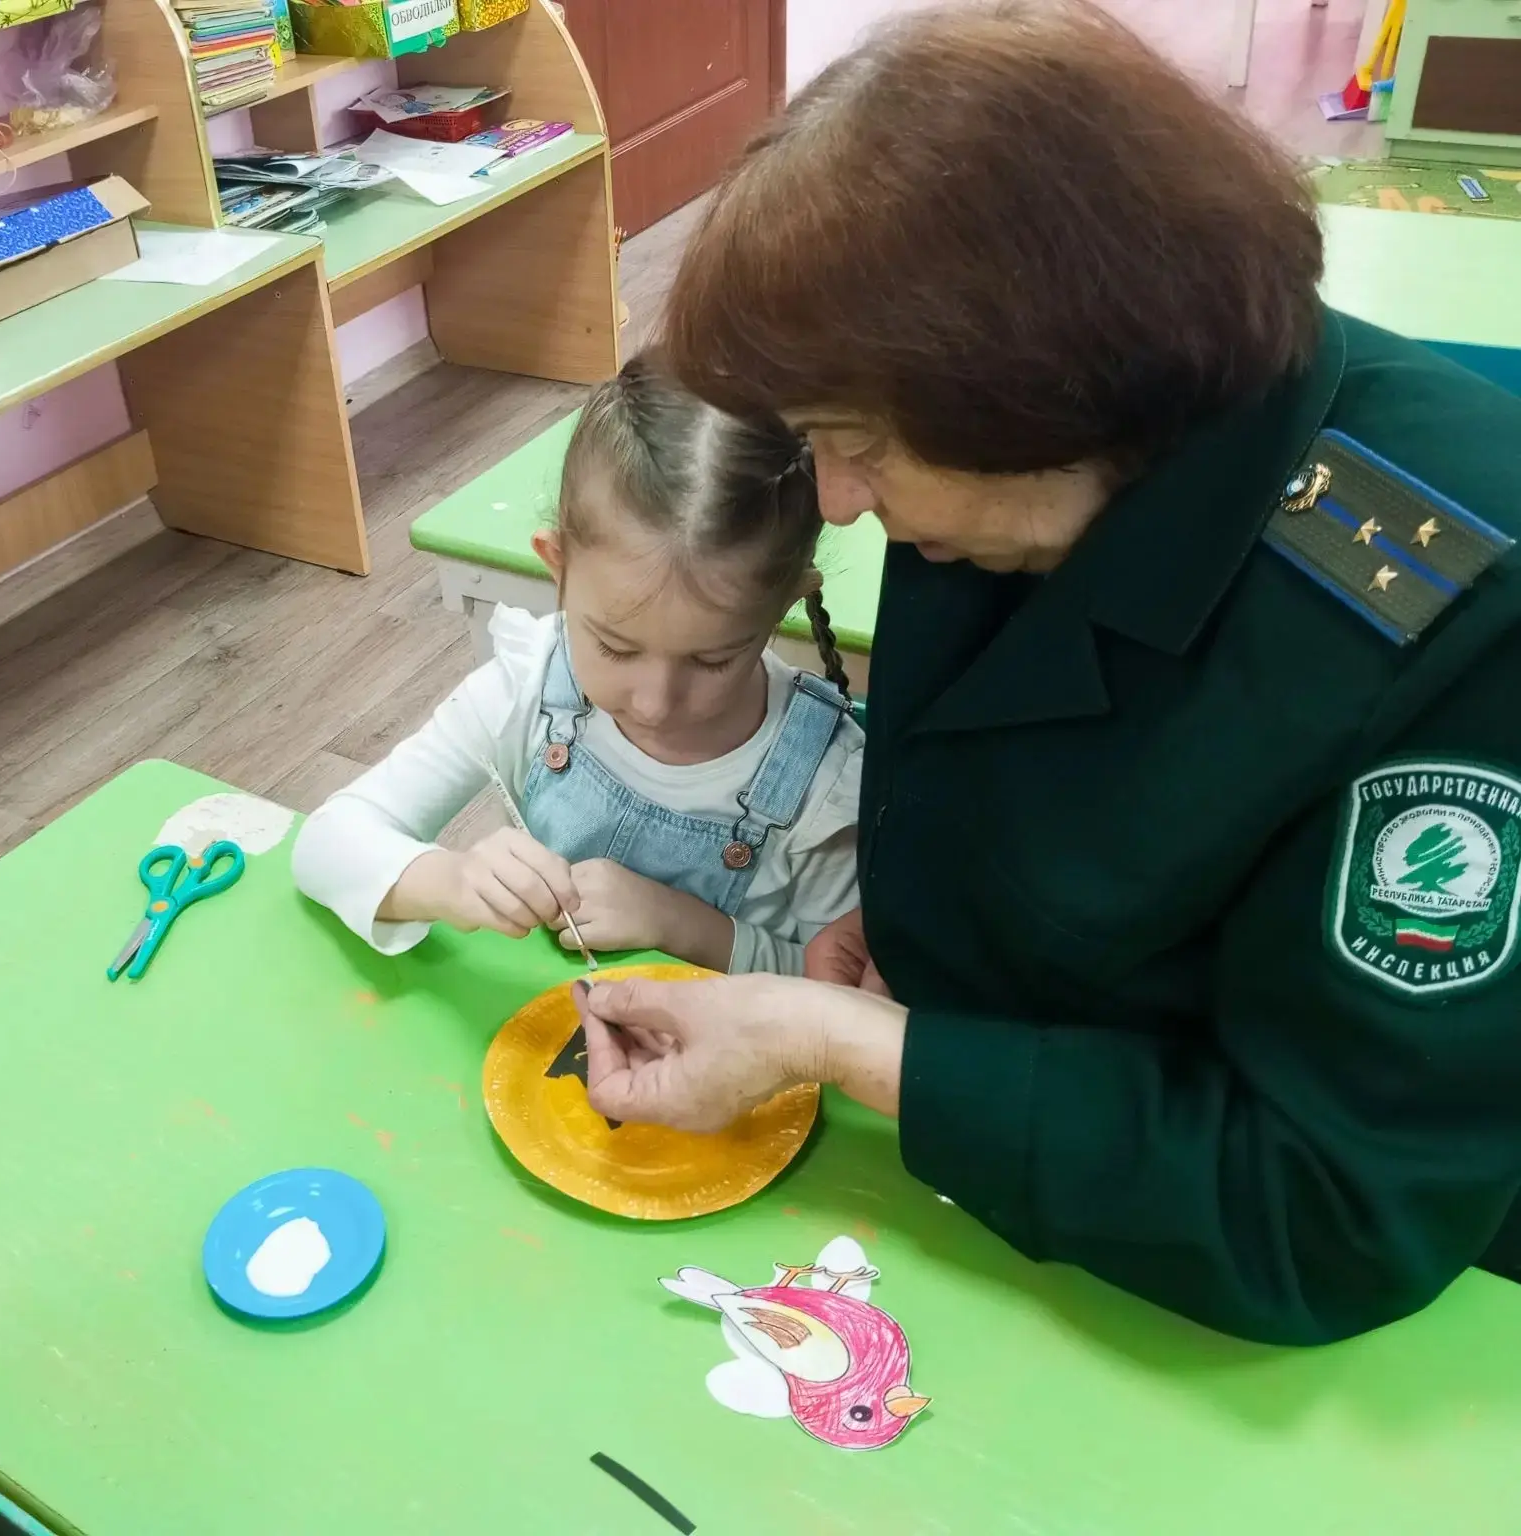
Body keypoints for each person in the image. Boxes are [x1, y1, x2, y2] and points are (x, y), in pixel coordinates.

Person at [573, 0, 1521, 1345]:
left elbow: (1327, 1211)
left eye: (857, 444)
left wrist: (850, 1048)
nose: (834, 500)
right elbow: (1033, 765)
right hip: (1008, 1187)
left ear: (1041, 391)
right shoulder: (1019, 460)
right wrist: (928, 923)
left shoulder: (1466, 619)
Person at [292, 355, 863, 977]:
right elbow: (326, 841)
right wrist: (451, 881)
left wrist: (682, 926)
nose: (653, 704)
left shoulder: (824, 782)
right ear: (556, 565)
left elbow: (841, 992)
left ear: (786, 603)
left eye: (712, 660)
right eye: (616, 647)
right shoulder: (528, 684)